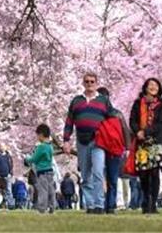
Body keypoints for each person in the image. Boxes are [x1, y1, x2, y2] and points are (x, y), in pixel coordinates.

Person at [62, 72, 111, 215]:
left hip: (98, 141)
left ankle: (99, 204)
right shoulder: (76, 101)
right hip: (82, 141)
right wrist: (66, 140)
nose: (90, 84)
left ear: (96, 83)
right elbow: (69, 121)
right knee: (85, 174)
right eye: (87, 82)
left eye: (92, 82)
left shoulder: (103, 101)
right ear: (83, 83)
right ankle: (90, 205)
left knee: (98, 172)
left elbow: (111, 119)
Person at [128, 77, 162, 214]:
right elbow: (132, 120)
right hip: (141, 143)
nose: (153, 87)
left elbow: (161, 124)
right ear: (145, 87)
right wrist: (138, 131)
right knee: (143, 173)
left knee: (154, 173)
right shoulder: (138, 103)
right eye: (150, 85)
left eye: (156, 85)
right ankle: (146, 200)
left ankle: (153, 203)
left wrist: (146, 132)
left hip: (156, 142)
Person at [94, 86, 128, 213]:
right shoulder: (95, 114)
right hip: (102, 147)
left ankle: (110, 205)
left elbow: (125, 130)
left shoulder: (117, 114)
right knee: (101, 177)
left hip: (113, 148)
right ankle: (103, 204)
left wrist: (127, 147)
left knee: (112, 178)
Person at [25, 124, 55, 214]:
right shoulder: (50, 146)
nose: (37, 137)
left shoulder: (41, 147)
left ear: (41, 135)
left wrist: (27, 158)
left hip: (42, 172)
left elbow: (34, 159)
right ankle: (52, 207)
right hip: (50, 171)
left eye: (37, 135)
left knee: (43, 190)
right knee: (51, 190)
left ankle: (42, 208)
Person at [0, 142, 14, 209]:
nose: (2, 147)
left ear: (6, 147)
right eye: (0, 146)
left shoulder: (8, 156)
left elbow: (11, 165)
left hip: (7, 176)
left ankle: (10, 205)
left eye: (3, 146)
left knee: (8, 190)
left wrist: (10, 173)